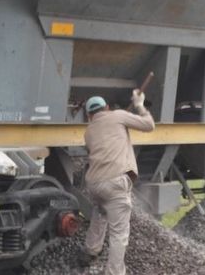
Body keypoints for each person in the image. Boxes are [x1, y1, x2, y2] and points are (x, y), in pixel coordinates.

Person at [79, 89, 155, 275]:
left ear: (89, 115)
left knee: (100, 212)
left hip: (94, 184)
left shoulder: (88, 132)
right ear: (106, 107)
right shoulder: (118, 115)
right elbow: (149, 125)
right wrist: (139, 105)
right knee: (119, 233)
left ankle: (90, 251)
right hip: (115, 182)